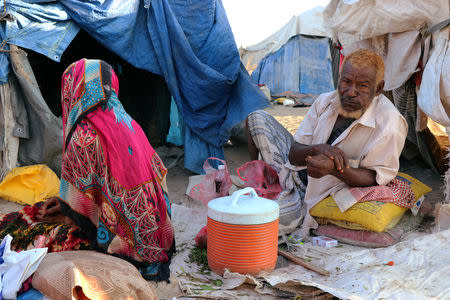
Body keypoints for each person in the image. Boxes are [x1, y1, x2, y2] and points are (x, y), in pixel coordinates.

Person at [0, 59, 174, 281]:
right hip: (159, 238)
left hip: (126, 249)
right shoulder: (129, 123)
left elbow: (82, 217)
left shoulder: (83, 136)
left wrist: (65, 216)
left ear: (72, 89)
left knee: (24, 230)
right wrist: (64, 202)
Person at [246, 49, 408, 235]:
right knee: (256, 118)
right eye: (346, 82)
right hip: (293, 172)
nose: (351, 92)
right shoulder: (325, 101)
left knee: (261, 221)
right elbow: (293, 153)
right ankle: (260, 181)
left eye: (362, 86)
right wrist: (317, 149)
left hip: (323, 194)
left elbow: (377, 178)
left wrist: (334, 169)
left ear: (378, 89)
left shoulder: (390, 123)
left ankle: (272, 201)